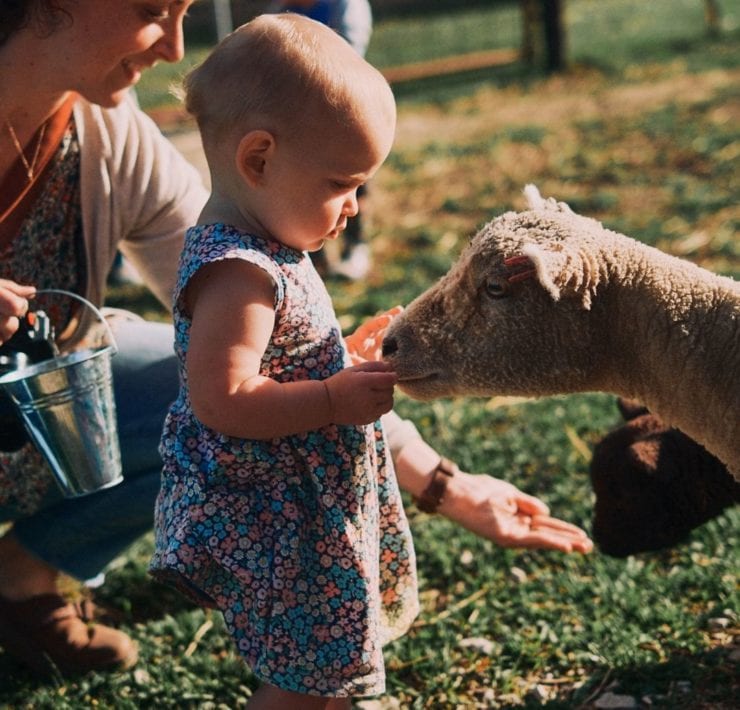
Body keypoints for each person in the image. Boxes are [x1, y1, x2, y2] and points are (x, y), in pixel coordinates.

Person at [0, 0, 590, 680]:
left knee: (185, 382)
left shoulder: (106, 136)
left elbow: (272, 347)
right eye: (152, 9)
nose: (172, 48)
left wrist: (446, 486)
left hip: (35, 421)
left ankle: (23, 576)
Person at [150, 17, 417, 704]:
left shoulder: (269, 244)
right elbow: (225, 399)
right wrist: (330, 399)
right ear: (259, 160)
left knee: (326, 664)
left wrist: (340, 356)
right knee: (301, 677)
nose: (354, 207)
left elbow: (279, 358)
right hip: (280, 522)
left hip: (306, 508)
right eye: (343, 183)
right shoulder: (237, 271)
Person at [266, 0, 374, 280]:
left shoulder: (345, 6)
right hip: (296, 116)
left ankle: (356, 246)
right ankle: (315, 255)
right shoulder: (278, 12)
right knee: (305, 184)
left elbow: (348, 54)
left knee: (349, 184)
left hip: (343, 107)